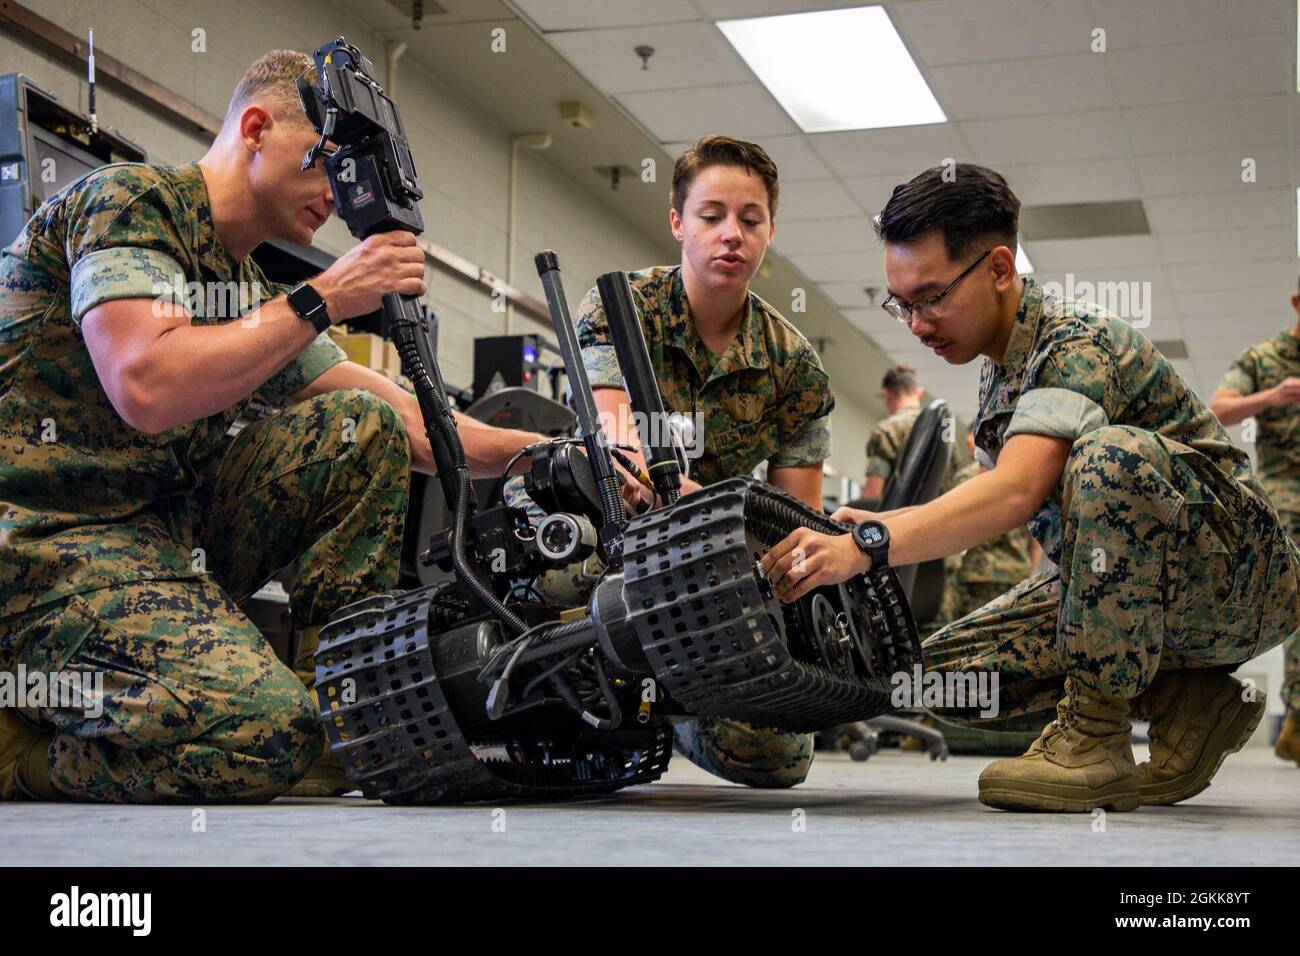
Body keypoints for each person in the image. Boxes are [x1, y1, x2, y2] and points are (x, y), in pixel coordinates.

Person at [0, 50, 548, 802]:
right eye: (323, 165)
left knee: (358, 427)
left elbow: (418, 429)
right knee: (264, 734)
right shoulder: (130, 202)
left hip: (157, 539)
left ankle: (350, 693)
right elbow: (146, 386)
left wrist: (556, 454)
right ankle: (21, 753)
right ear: (256, 128)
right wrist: (324, 296)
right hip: (41, 551)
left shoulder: (248, 288)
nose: (337, 195)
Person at [760, 162, 1300, 812]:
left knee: (1109, 457)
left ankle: (1097, 737)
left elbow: (1015, 493)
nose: (914, 322)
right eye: (899, 302)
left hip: (1240, 580)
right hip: (1144, 599)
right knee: (923, 680)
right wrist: (876, 522)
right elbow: (1012, 505)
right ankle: (1188, 701)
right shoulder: (998, 370)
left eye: (930, 297)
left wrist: (872, 541)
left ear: (996, 268)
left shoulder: (1076, 340)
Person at [546, 134, 836, 788]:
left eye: (750, 219)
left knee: (776, 759)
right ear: (678, 222)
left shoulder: (796, 370)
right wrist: (663, 487)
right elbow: (616, 435)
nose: (731, 234)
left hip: (712, 579)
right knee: (548, 594)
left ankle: (666, 711)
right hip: (608, 546)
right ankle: (595, 704)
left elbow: (797, 524)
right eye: (711, 216)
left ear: (769, 232)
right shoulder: (620, 309)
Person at [1209, 296, 1300, 766]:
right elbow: (1219, 408)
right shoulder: (1263, 358)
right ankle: (1299, 717)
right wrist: (1275, 396)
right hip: (1289, 499)